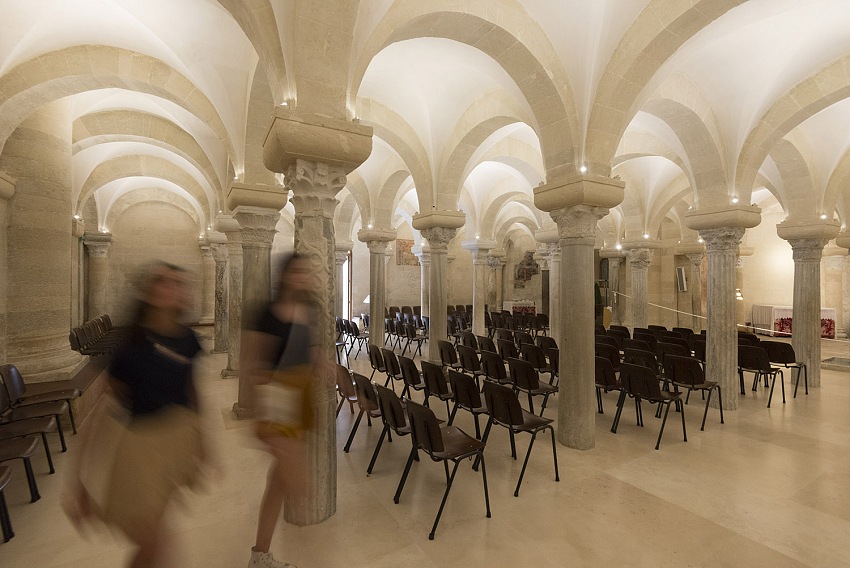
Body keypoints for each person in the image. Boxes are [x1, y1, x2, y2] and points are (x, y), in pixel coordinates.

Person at [65, 262, 206, 568]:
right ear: (149, 293)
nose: (173, 289)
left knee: (156, 535)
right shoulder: (132, 347)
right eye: (164, 282)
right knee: (155, 540)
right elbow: (101, 411)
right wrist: (78, 480)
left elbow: (193, 391)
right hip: (141, 447)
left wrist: (204, 443)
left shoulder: (188, 339)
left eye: (178, 283)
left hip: (178, 440)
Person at [242, 254, 329, 568]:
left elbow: (313, 351)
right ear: (285, 276)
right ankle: (261, 555)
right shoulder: (267, 313)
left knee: (279, 484)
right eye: (298, 272)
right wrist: (261, 415)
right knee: (299, 483)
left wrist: (338, 376)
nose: (303, 277)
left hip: (301, 396)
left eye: (307, 272)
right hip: (278, 400)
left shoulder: (308, 310)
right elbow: (254, 366)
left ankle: (259, 555)